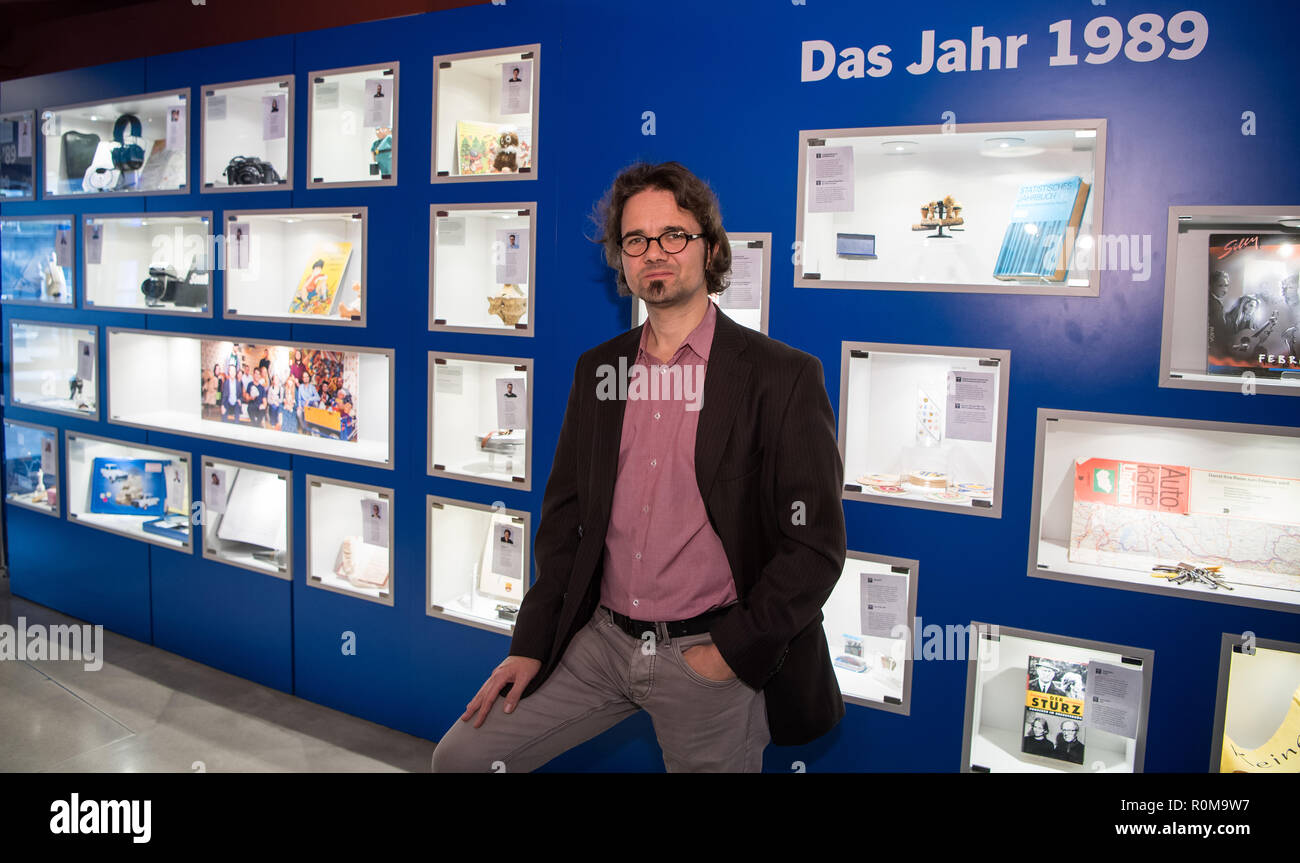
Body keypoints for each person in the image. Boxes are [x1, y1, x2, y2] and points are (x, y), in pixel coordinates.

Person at [432, 162, 846, 773]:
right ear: (621, 260)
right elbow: (565, 521)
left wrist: (730, 654)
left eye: (674, 235)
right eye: (635, 240)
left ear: (709, 247)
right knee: (461, 759)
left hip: (709, 655)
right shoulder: (600, 370)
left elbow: (814, 546)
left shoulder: (780, 376)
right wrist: (531, 644)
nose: (655, 252)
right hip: (600, 641)